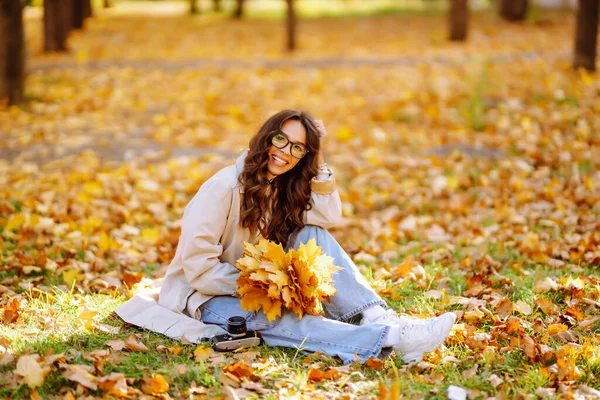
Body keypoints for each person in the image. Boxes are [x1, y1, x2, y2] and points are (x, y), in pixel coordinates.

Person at [117, 109, 455, 365]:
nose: (286, 152)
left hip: (261, 283)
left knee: (311, 233)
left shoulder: (282, 186)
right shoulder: (221, 189)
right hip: (207, 297)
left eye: (299, 148)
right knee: (283, 318)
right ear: (266, 137)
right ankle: (392, 339)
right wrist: (265, 286)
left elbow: (328, 217)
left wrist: (319, 164)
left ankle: (373, 315)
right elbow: (198, 268)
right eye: (281, 139)